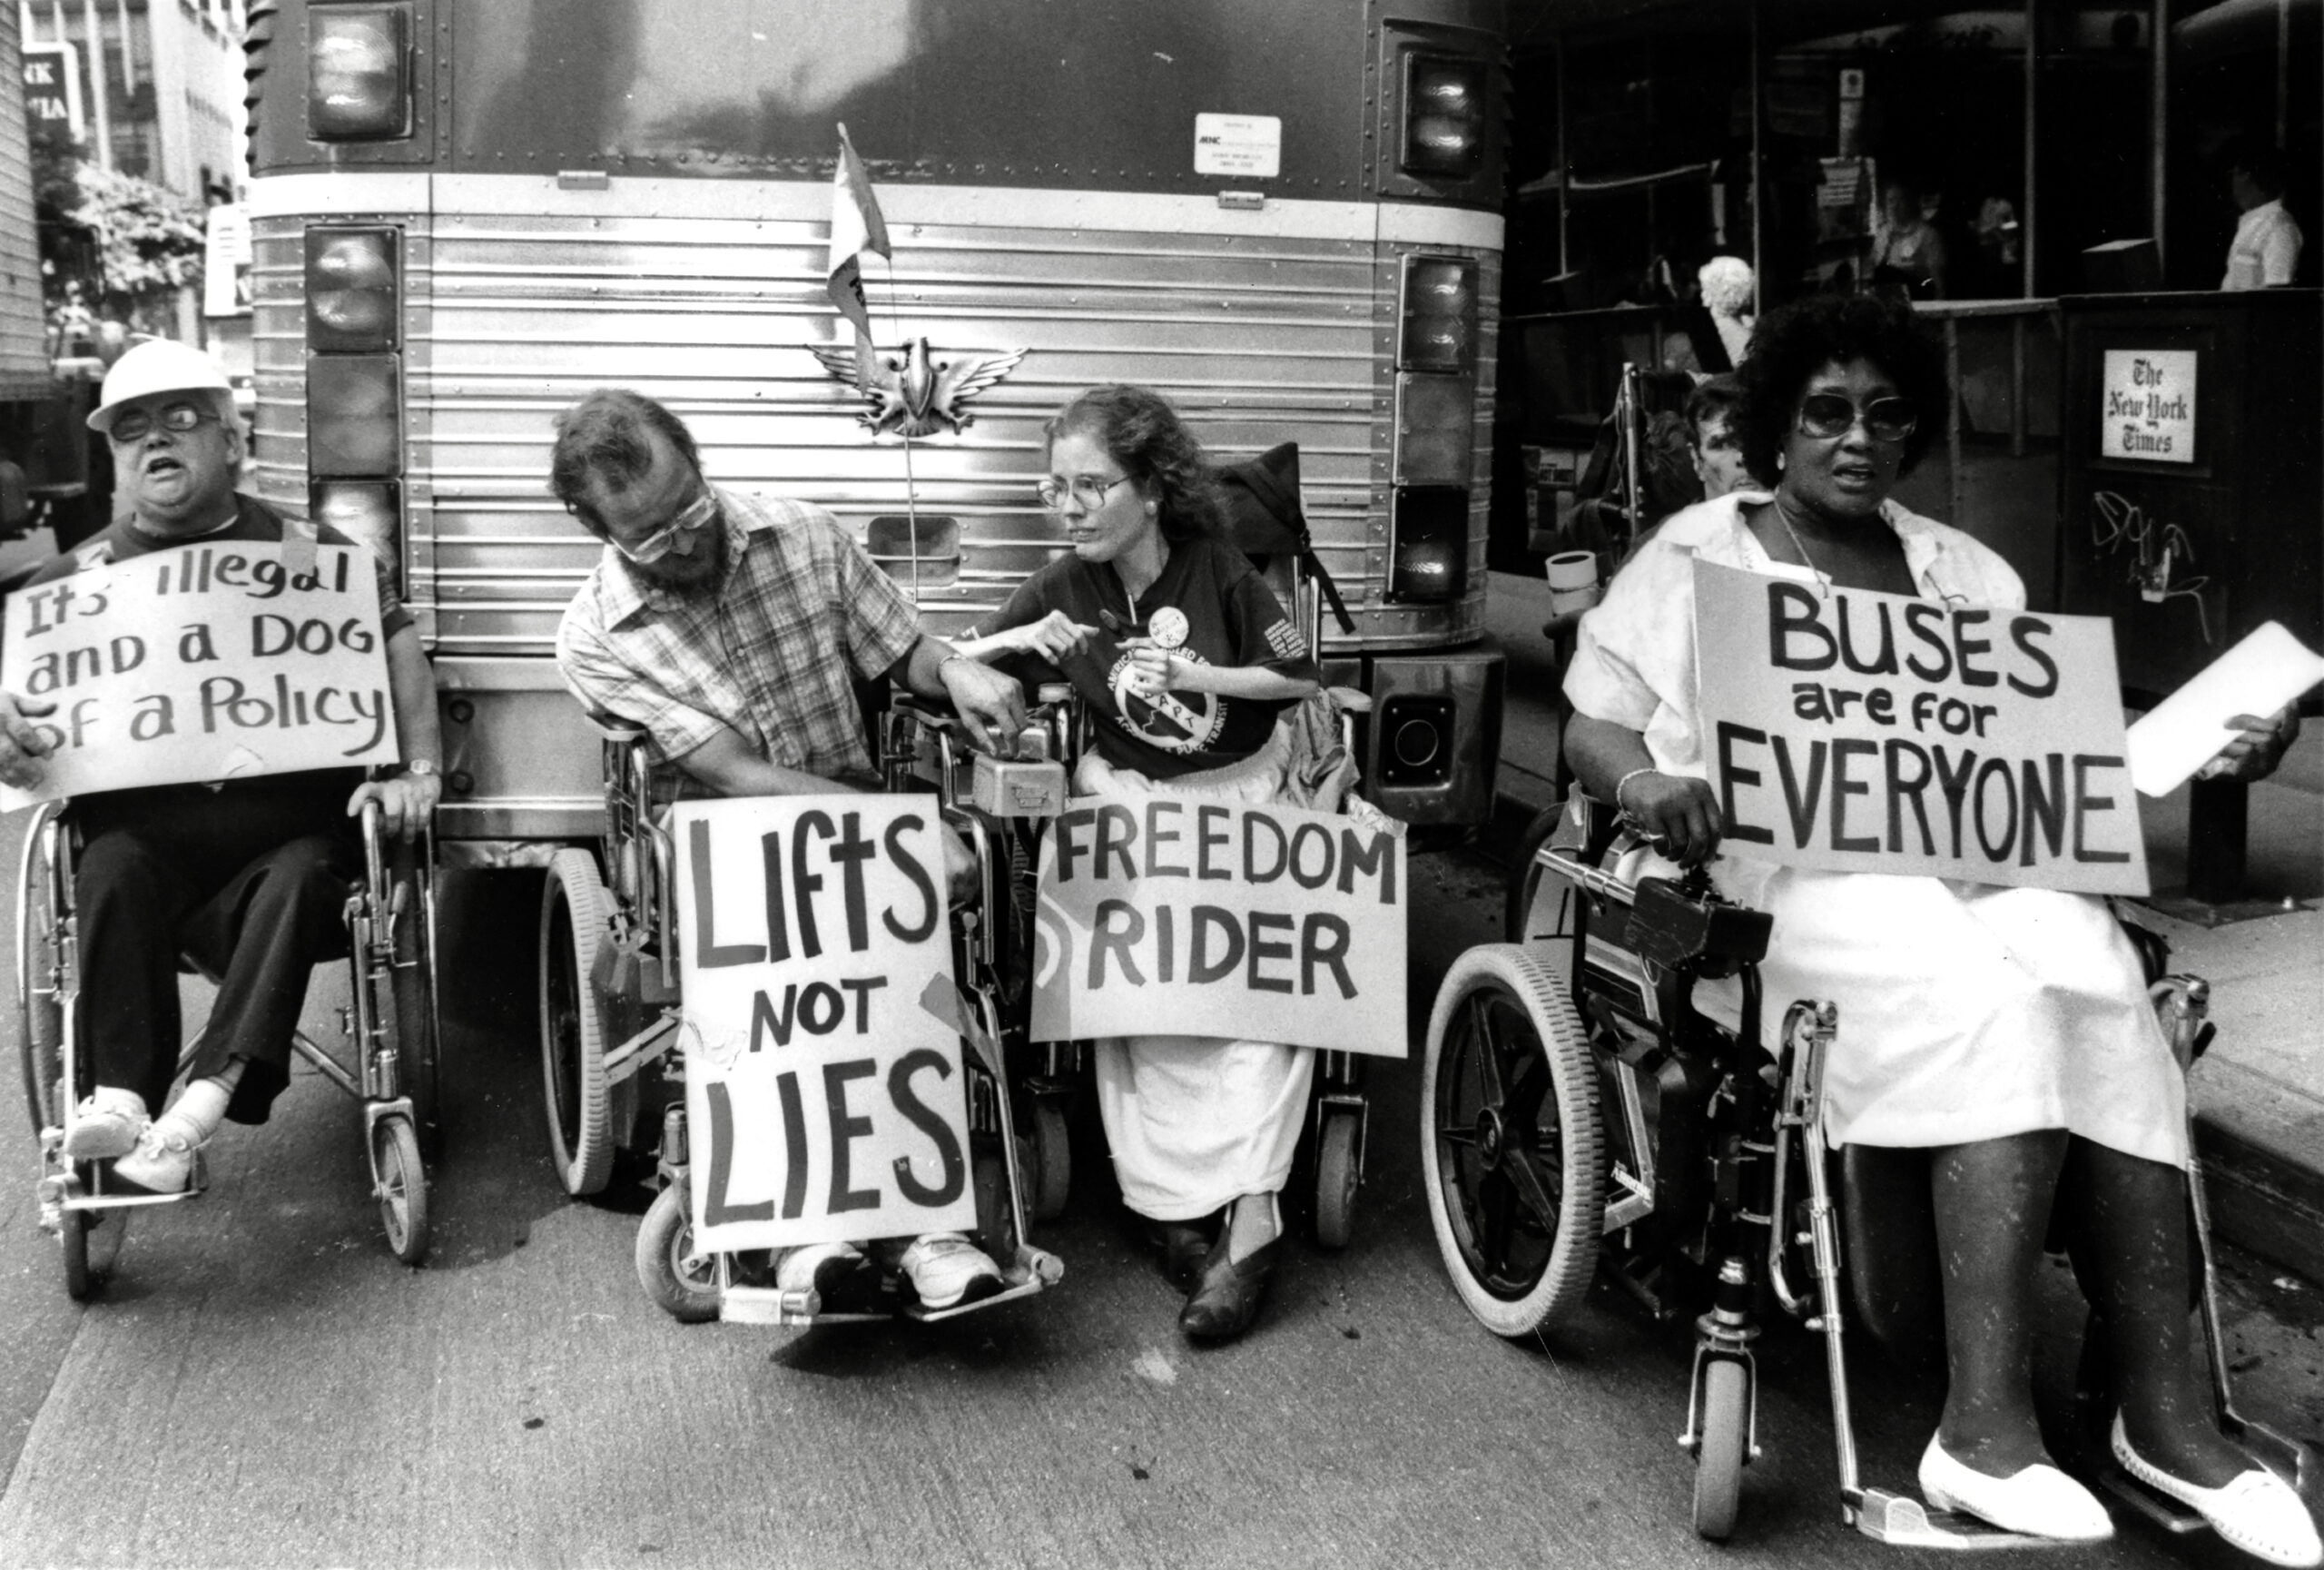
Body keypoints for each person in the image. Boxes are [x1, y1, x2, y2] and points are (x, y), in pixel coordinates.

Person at [1562, 293, 2318, 1563]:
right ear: (1776, 425)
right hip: (1784, 873)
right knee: (1993, 997)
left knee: (2100, 982)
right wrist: (1647, 782)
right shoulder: (1704, 554)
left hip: (1968, 862)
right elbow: (1595, 722)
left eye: (1888, 414)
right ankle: (1982, 1427)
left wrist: (2218, 747)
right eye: (1826, 412)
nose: (1858, 438)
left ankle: (2171, 1418)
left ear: (1915, 433)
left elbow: (2052, 759)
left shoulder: (1971, 572)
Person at [549, 387, 1030, 1313]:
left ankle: (931, 1225)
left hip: (858, 820)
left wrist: (958, 668)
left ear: (697, 460)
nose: (686, 542)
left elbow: (904, 653)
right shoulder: (593, 637)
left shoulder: (805, 537)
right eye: (651, 536)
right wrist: (892, 829)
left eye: (690, 507)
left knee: (904, 984)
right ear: (594, 527)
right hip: (732, 853)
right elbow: (730, 773)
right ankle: (811, 1232)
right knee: (776, 1001)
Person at [0, 339, 443, 1193]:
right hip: (149, 859)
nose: (155, 441)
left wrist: (417, 766)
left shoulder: (309, 555)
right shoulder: (71, 586)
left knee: (308, 865)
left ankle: (196, 1111)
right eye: (131, 430)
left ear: (232, 442)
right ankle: (122, 1099)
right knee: (110, 861)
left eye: (180, 419)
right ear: (115, 459)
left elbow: (399, 652)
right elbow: (24, 742)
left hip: (290, 852)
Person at [948, 385, 1322, 1342]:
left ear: (1150, 489)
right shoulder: (1060, 587)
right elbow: (957, 660)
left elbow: (1298, 674)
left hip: (1239, 799)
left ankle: (1249, 1226)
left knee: (1259, 1009)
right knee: (1145, 1012)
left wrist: (1197, 677)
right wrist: (1012, 643)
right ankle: (1169, 1212)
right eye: (1054, 488)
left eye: (1090, 486)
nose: (1068, 507)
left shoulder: (1219, 568)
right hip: (1122, 805)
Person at [2222, 143, 2304, 291]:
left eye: (2235, 174)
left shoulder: (2279, 227)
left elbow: (2277, 292)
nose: (2232, 182)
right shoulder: (2250, 223)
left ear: (2248, 177)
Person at [1869, 181, 1947, 301]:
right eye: (1891, 201)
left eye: (1900, 200)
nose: (1894, 206)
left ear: (1909, 202)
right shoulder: (1882, 234)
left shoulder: (1927, 235)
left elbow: (1937, 279)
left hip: (1917, 298)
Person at [1684, 375, 1750, 501]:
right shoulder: (1682, 522)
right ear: (1697, 460)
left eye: (1754, 442)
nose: (1742, 457)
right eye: (1721, 445)